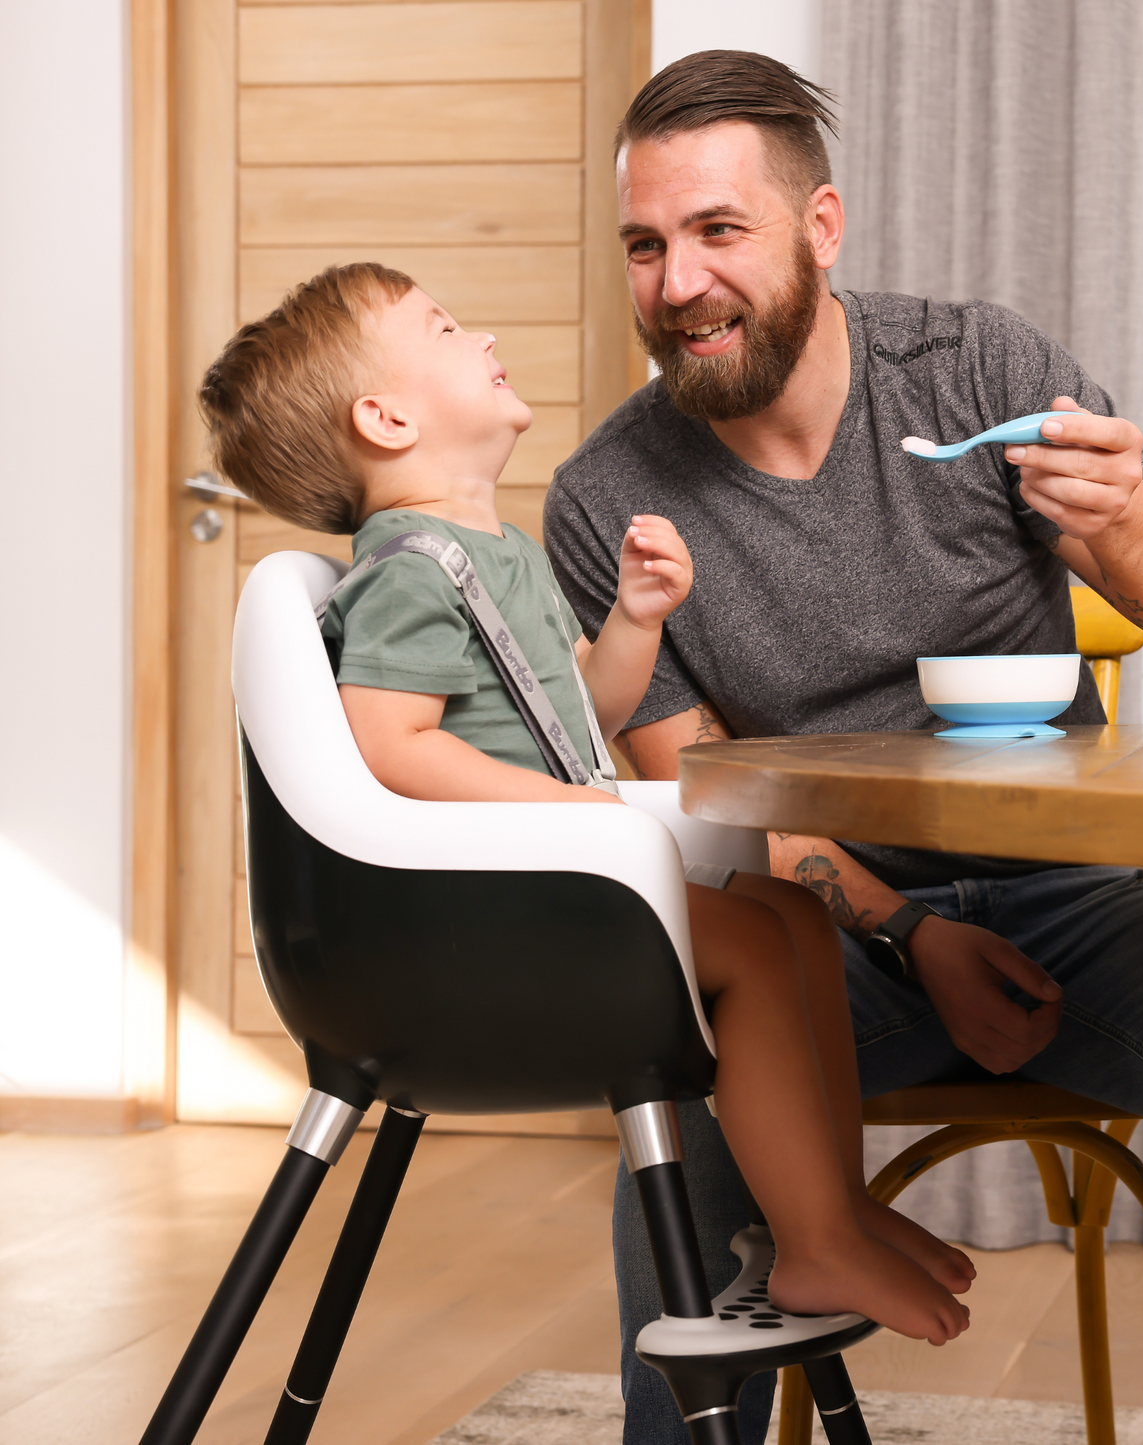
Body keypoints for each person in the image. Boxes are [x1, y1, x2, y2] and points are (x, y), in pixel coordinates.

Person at [543, 51, 1143, 1445]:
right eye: (645, 244)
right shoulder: (606, 496)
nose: (676, 284)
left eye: (717, 231)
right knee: (676, 1126)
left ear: (821, 227)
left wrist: (1126, 512)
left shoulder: (978, 365)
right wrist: (914, 935)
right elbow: (700, 794)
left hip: (1082, 894)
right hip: (817, 929)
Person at [198, 260, 978, 1348]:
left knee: (790, 917)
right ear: (385, 416)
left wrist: (634, 625)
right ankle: (811, 1240)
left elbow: (571, 706)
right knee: (753, 948)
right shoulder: (412, 570)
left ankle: (829, 1208)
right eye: (444, 325)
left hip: (533, 896)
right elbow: (388, 743)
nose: (479, 336)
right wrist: (577, 814)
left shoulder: (492, 555)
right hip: (485, 927)